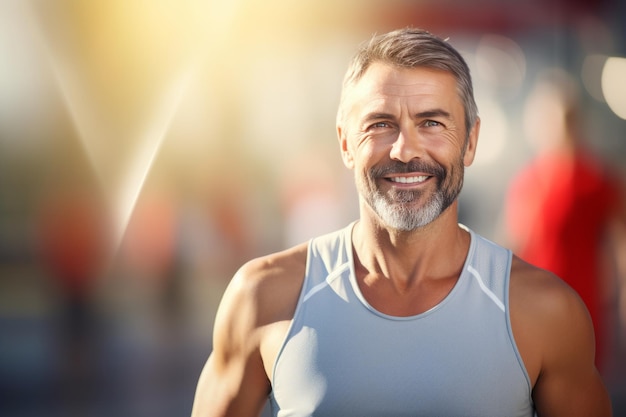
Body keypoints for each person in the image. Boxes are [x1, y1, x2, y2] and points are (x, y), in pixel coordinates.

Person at [190, 28, 612, 416]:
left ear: (471, 142)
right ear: (345, 144)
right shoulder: (263, 297)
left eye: (431, 122)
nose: (404, 149)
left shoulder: (545, 313)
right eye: (381, 124)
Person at [502, 69, 626, 374]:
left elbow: (621, 244)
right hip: (534, 304)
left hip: (582, 302)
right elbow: (514, 245)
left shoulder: (596, 180)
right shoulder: (528, 181)